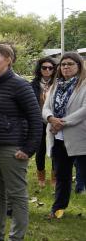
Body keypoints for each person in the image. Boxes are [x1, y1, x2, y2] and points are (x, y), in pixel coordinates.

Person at [0, 43, 43, 241]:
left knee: (17, 195)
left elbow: (35, 119)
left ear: (8, 60)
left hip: (12, 149)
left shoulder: (20, 86)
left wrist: (29, 149)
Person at [42, 51, 86, 219]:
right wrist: (51, 119)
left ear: (79, 66)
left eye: (70, 64)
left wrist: (62, 122)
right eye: (63, 64)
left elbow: (84, 110)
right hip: (58, 138)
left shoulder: (84, 84)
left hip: (80, 137)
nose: (66, 67)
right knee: (62, 176)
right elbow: (45, 107)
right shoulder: (55, 85)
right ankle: (58, 208)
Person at [31, 57, 57, 188]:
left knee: (56, 149)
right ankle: (41, 177)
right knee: (40, 150)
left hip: (54, 121)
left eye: (50, 68)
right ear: (39, 69)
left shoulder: (58, 84)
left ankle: (54, 177)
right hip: (38, 122)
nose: (47, 70)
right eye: (44, 67)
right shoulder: (33, 85)